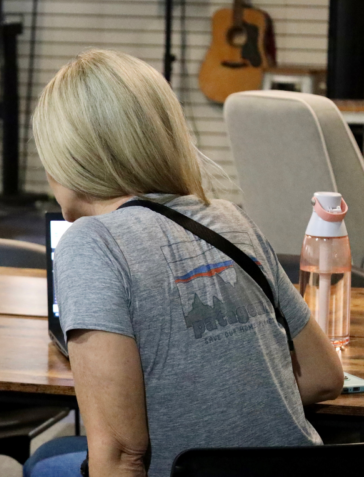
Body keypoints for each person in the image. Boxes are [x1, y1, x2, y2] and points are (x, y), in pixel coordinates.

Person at [24, 50, 344, 477]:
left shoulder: (90, 243)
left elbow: (122, 454)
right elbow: (324, 375)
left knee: (47, 464)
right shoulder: (231, 218)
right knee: (50, 459)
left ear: (67, 157)